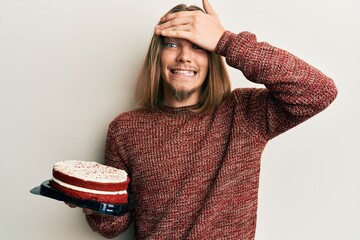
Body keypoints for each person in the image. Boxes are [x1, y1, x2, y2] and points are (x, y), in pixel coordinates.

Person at [72, 0, 338, 239]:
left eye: (198, 46)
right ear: (158, 55)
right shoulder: (124, 129)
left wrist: (226, 41)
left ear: (212, 57)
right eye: (173, 44)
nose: (185, 56)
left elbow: (318, 91)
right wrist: (92, 200)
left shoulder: (244, 113)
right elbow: (113, 227)